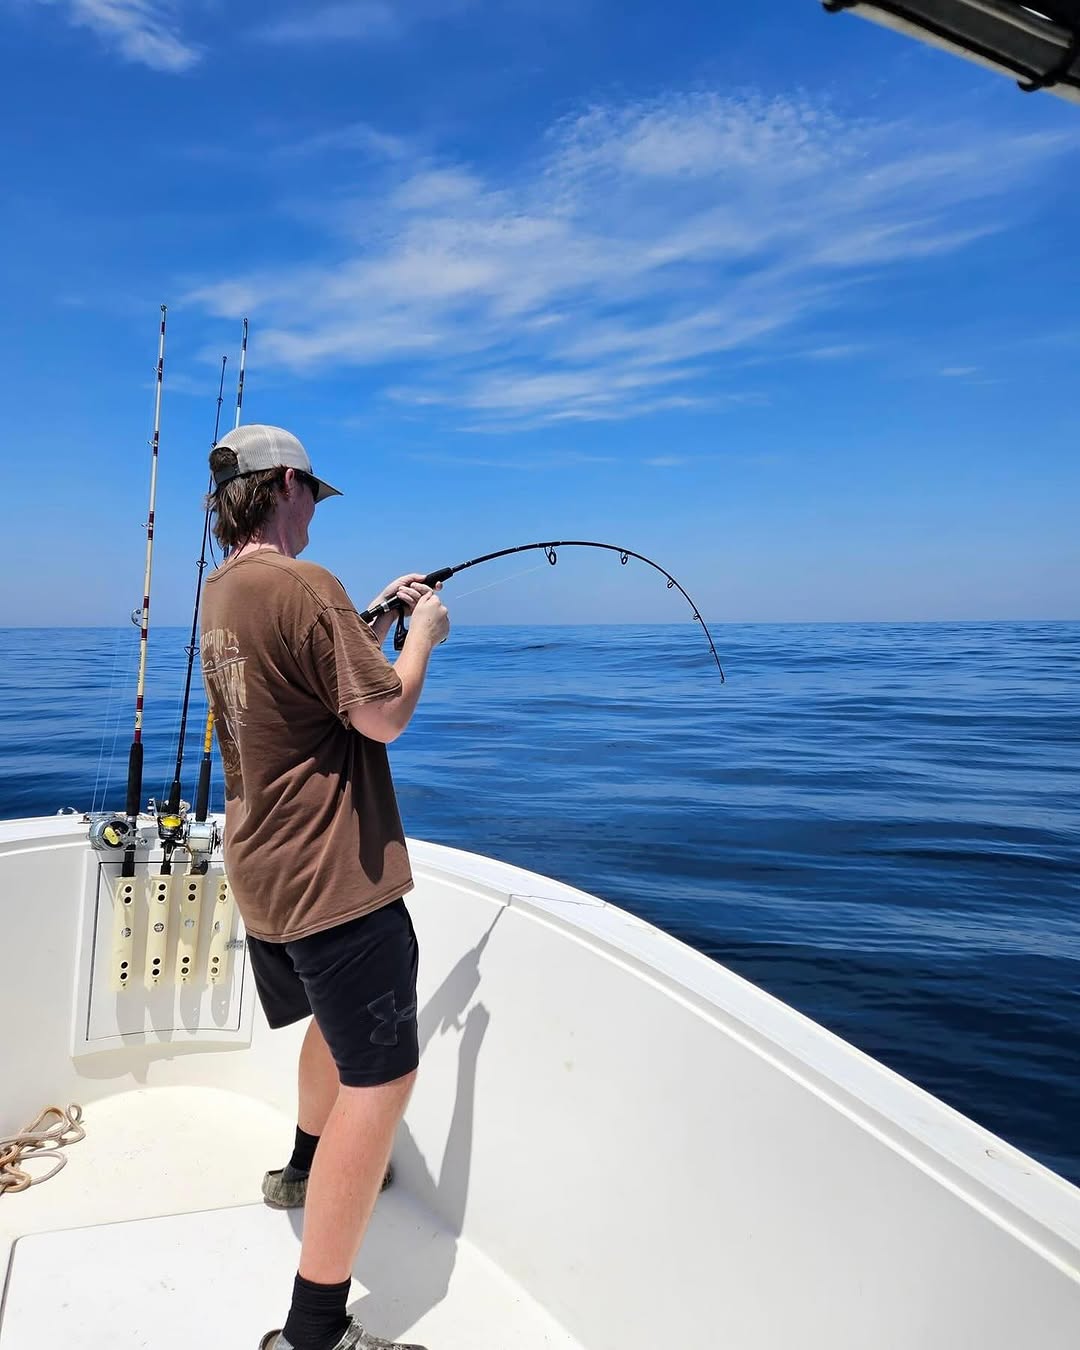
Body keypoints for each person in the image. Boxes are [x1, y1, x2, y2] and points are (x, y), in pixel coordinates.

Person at [199, 424, 448, 1350]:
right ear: (289, 484)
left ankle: (303, 1168)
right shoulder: (306, 586)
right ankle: (313, 1334)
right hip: (332, 874)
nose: (314, 512)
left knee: (329, 1029)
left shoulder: (223, 589)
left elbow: (295, 687)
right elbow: (382, 717)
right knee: (381, 1080)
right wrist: (419, 635)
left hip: (263, 866)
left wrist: (366, 623)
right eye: (312, 494)